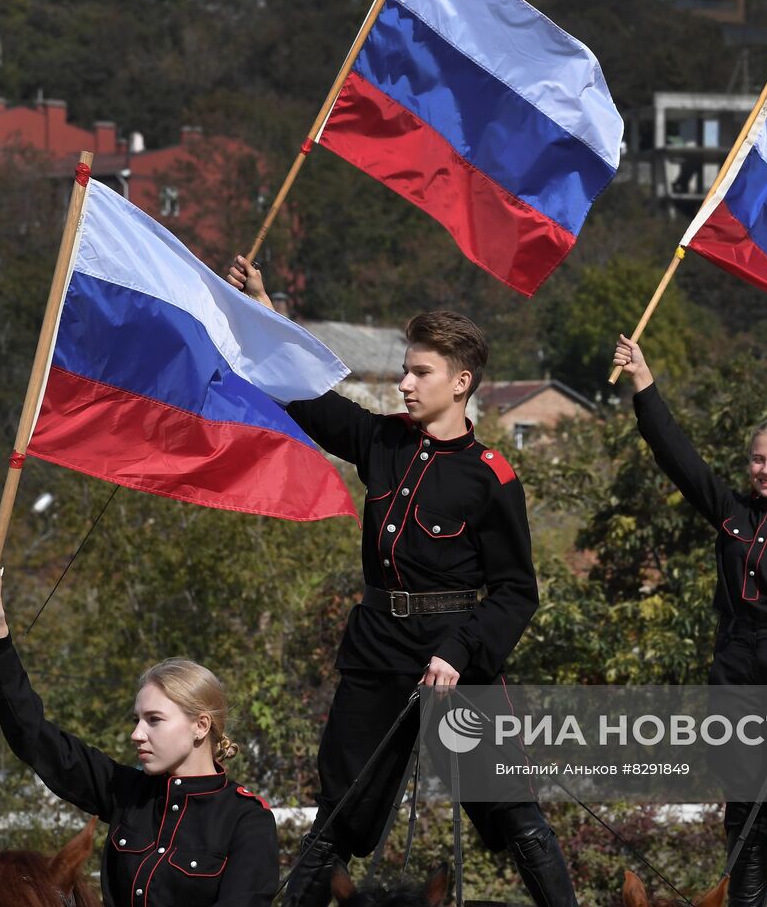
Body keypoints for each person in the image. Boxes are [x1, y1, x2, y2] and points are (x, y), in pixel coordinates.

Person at [227, 256, 578, 907]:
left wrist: (458, 652)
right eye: (405, 370)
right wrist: (263, 309)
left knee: (511, 809)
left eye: (420, 372)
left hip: (456, 657)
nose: (406, 384)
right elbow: (307, 398)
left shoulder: (492, 477)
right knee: (338, 813)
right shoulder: (383, 441)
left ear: (461, 381)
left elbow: (515, 592)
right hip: (377, 652)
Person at [612, 335, 767, 907]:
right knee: (744, 820)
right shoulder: (731, 510)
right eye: (758, 459)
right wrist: (644, 382)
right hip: (735, 678)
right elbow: (676, 454)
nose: (766, 470)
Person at [0, 570, 279, 907]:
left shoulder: (247, 820)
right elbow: (32, 735)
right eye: (136, 719)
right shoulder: (126, 792)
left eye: (154, 720)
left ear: (200, 725)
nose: (136, 734)